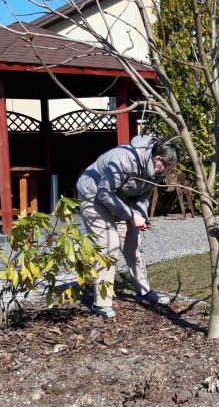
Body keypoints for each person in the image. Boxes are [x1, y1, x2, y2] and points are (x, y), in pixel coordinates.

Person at [76, 134, 180, 318]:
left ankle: (144, 291)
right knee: (109, 244)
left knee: (133, 242)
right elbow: (104, 192)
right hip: (93, 197)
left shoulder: (156, 171)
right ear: (158, 159)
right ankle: (101, 304)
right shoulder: (125, 159)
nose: (168, 171)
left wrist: (140, 215)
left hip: (120, 202)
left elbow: (144, 195)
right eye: (168, 167)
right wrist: (131, 215)